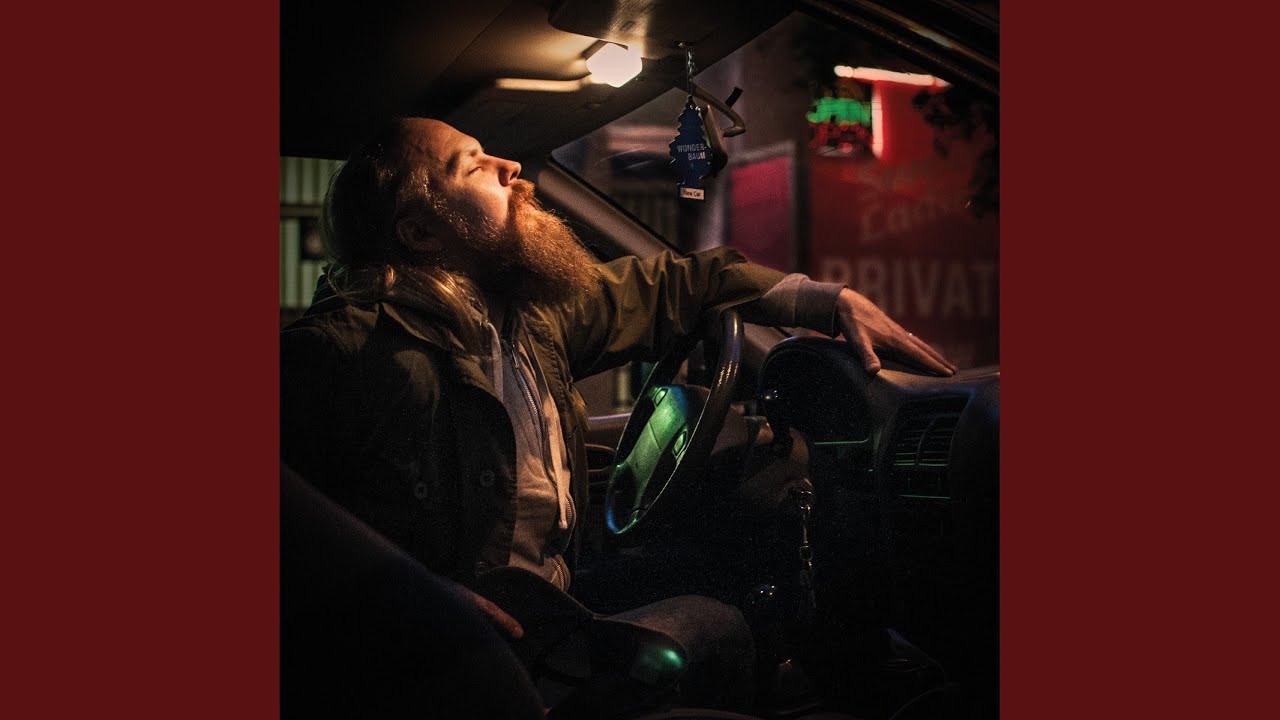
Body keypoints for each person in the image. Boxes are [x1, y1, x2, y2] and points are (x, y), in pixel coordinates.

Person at [280, 117, 955, 714]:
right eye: (473, 164)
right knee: (721, 619)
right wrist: (409, 602)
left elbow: (674, 286)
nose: (510, 167)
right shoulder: (347, 350)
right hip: (465, 667)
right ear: (421, 232)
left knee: (725, 578)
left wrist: (825, 300)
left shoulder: (524, 320)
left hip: (550, 610)